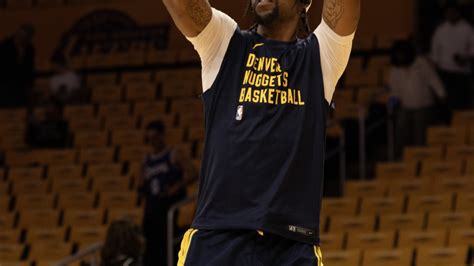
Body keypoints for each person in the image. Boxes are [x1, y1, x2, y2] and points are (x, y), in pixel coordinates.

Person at [162, 0, 360, 265]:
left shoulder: (322, 55)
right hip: (217, 239)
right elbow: (184, 6)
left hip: (291, 245)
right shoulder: (224, 43)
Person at [139, 121, 197, 266]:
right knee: (149, 237)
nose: (153, 141)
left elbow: (193, 173)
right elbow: (140, 184)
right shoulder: (146, 159)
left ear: (162, 136)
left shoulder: (173, 154)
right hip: (152, 206)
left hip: (168, 204)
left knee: (164, 241)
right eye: (150, 137)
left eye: (156, 137)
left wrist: (175, 188)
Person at [388, 40, 446, 157]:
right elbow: (395, 91)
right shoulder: (395, 70)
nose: (400, 58)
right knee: (400, 130)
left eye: (402, 55)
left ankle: (420, 159)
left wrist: (442, 95)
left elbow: (433, 80)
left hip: (423, 106)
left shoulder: (422, 63)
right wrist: (393, 103)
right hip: (405, 107)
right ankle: (402, 158)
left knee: (420, 132)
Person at [431, 3, 474, 111]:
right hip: (444, 72)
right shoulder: (440, 29)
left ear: (458, 13)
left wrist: (465, 58)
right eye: (447, 13)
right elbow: (435, 51)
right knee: (445, 104)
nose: (450, 15)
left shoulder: (468, 29)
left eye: (452, 12)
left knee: (461, 103)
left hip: (462, 72)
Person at [0, 24, 35, 107]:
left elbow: (29, 70)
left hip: (21, 86)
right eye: (21, 36)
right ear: (17, 34)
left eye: (27, 38)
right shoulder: (4, 46)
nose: (23, 39)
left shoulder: (30, 50)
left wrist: (30, 87)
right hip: (5, 85)